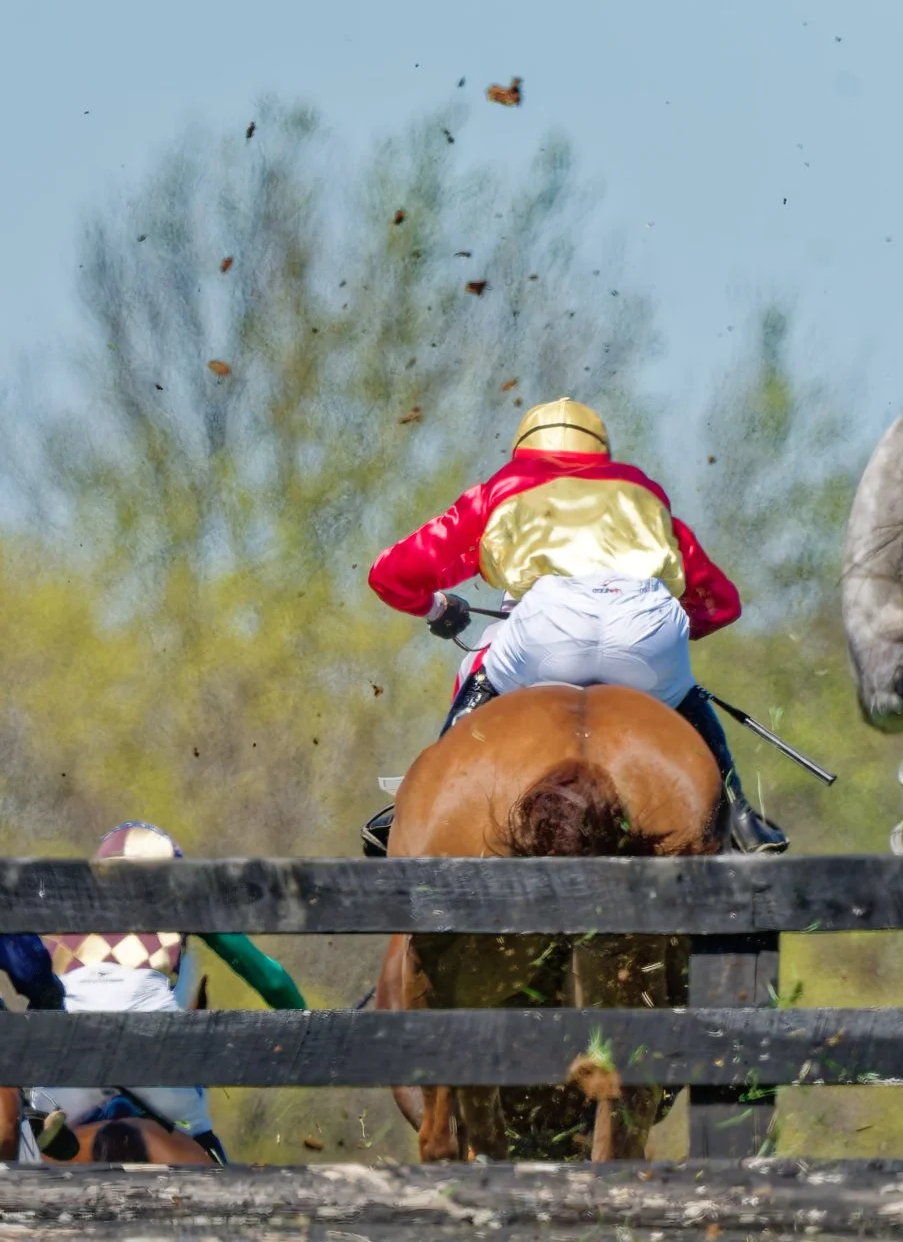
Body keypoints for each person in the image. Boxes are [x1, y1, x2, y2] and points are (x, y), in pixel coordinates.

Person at [364, 397, 787, 856]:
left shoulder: (503, 487)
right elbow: (720, 603)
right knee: (686, 695)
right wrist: (662, 644)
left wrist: (435, 607)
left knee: (481, 666)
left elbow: (391, 574)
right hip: (643, 623)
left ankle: (423, 804)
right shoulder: (642, 490)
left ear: (522, 448)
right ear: (601, 453)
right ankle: (742, 817)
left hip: (549, 624)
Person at [26, 821, 305, 1164]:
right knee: (202, 1138)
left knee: (26, 1136)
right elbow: (273, 981)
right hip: (152, 1055)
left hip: (66, 1060)